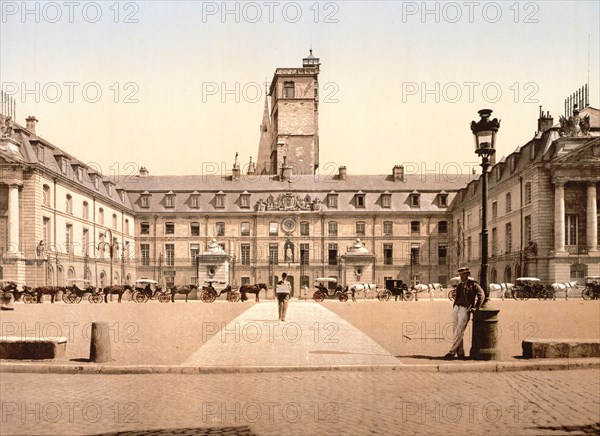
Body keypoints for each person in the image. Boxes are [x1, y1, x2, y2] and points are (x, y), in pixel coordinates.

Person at [444, 267, 484, 360]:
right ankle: (460, 351)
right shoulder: (459, 285)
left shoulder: (473, 284)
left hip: (465, 308)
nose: (462, 276)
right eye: (461, 275)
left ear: (468, 274)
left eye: (464, 274)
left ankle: (452, 352)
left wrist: (475, 307)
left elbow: (481, 295)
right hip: (456, 308)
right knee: (455, 330)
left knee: (459, 330)